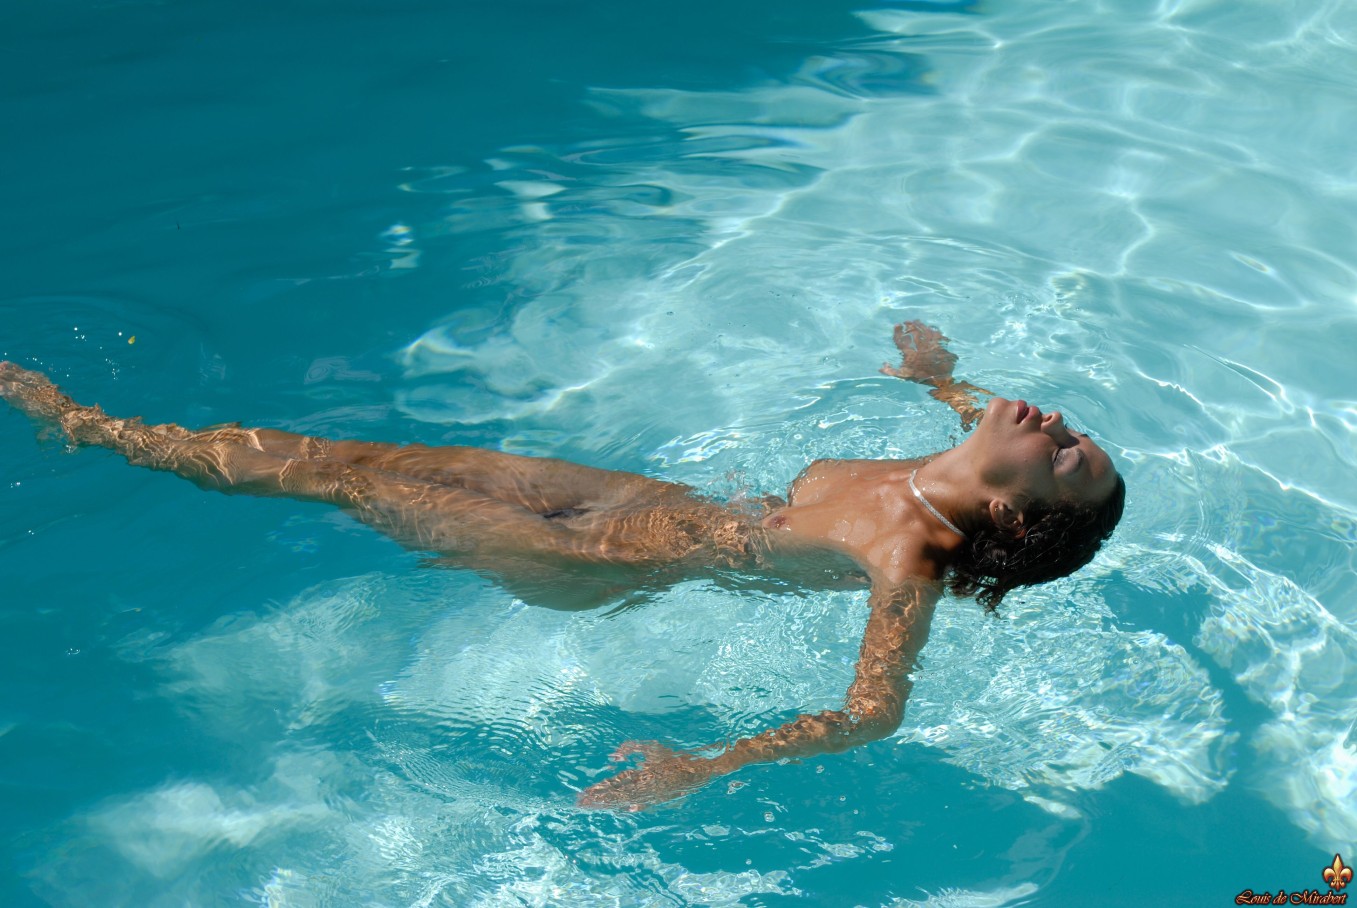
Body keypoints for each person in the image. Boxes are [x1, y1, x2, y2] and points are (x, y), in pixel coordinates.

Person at [0, 322, 1124, 809]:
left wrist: (710, 763)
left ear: (1012, 511)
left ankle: (87, 428)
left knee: (335, 481)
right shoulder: (967, 445)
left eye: (1066, 453)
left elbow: (872, 711)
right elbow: (978, 409)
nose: (1055, 420)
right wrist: (936, 375)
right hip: (643, 505)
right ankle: (114, 430)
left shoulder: (908, 551)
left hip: (580, 557)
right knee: (359, 453)